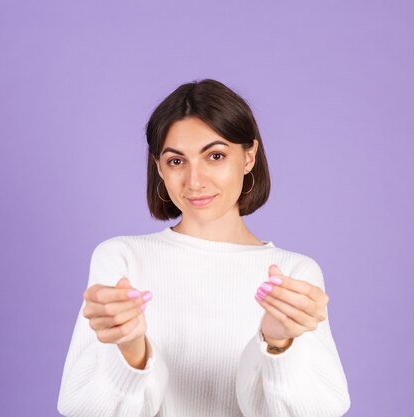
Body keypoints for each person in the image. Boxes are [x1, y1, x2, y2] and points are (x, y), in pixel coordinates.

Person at [56, 79, 351, 417]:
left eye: (215, 156)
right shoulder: (121, 259)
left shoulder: (294, 274)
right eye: (177, 161)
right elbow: (81, 407)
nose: (195, 181)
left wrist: (277, 344)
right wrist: (131, 348)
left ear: (249, 156)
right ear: (159, 168)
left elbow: (321, 410)